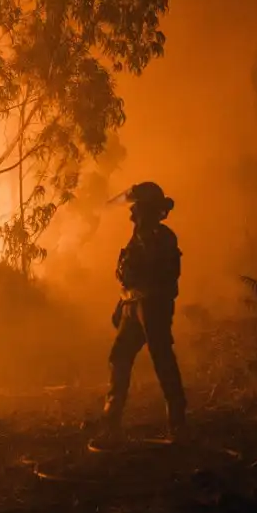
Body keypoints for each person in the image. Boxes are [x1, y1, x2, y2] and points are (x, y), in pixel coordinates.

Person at [93, 181, 188, 448]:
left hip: (153, 307)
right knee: (119, 357)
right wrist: (121, 305)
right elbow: (129, 278)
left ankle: (177, 424)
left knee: (162, 360)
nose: (131, 214)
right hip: (133, 307)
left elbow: (161, 277)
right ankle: (110, 423)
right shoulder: (138, 238)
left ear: (147, 210)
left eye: (136, 209)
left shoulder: (162, 238)